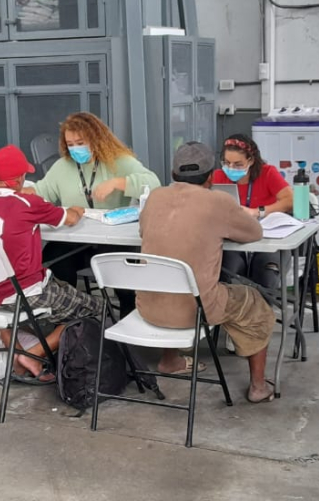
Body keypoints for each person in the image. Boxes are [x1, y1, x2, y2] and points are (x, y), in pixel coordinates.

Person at [136, 142, 276, 403]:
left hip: (148, 306)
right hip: (196, 310)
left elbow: (143, 232)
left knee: (173, 279)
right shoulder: (218, 201)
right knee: (254, 302)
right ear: (211, 177)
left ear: (173, 173)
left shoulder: (155, 197)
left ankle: (170, 360)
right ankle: (258, 387)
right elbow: (254, 233)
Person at [0, 144, 102, 383]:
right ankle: (30, 354)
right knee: (95, 309)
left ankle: (23, 348)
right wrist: (77, 208)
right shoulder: (28, 204)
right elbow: (70, 219)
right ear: (20, 179)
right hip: (25, 294)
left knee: (13, 310)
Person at [27, 112, 160, 316]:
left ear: (96, 139)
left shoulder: (118, 161)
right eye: (70, 144)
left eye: (80, 142)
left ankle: (128, 320)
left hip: (113, 240)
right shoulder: (63, 166)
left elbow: (153, 183)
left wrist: (118, 183)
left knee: (122, 279)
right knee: (53, 260)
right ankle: (70, 319)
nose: (75, 148)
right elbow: (42, 191)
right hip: (76, 239)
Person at [214, 134, 293, 289]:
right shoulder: (218, 176)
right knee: (225, 274)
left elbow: (290, 201)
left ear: (250, 160)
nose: (230, 168)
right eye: (227, 163)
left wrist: (258, 212)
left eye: (237, 164)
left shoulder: (268, 173)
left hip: (267, 239)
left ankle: (263, 310)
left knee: (266, 276)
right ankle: (235, 311)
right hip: (233, 241)